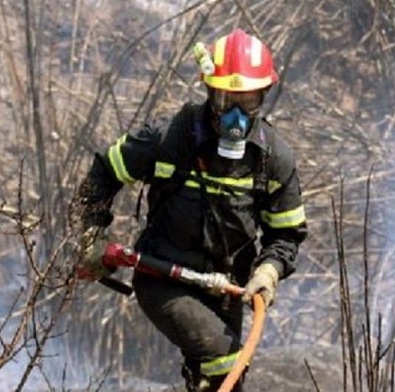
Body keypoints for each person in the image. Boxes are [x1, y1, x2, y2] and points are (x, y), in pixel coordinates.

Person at [74, 28, 308, 392]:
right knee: (225, 360)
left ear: (263, 96)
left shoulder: (273, 159)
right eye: (226, 99)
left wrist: (268, 271)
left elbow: (286, 234)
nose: (235, 116)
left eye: (247, 102)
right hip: (162, 277)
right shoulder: (169, 139)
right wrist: (91, 234)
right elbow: (104, 172)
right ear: (208, 90)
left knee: (222, 379)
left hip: (228, 288)